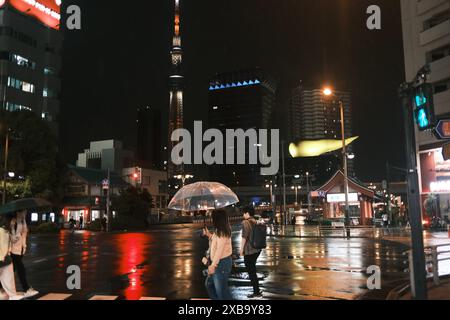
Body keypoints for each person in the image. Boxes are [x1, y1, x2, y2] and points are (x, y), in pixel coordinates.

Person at [202, 209, 233, 300]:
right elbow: (215, 242)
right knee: (209, 285)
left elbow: (219, 250)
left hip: (221, 264)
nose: (212, 220)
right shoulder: (219, 230)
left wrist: (213, 266)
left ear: (217, 219)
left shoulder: (222, 232)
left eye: (213, 218)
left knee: (222, 293)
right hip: (218, 263)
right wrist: (209, 235)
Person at [10, 211, 39, 298]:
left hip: (21, 250)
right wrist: (15, 236)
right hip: (14, 250)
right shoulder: (14, 222)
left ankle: (2, 287)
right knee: (21, 269)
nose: (25, 214)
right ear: (18, 213)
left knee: (12, 270)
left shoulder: (22, 221)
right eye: (24, 212)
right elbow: (12, 237)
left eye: (26, 212)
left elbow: (25, 232)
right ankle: (26, 289)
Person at [240, 206, 263, 299]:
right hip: (257, 249)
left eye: (244, 213)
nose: (243, 215)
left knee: (251, 271)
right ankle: (256, 290)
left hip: (250, 251)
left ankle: (256, 292)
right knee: (252, 270)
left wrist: (241, 250)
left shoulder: (245, 222)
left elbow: (244, 237)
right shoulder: (255, 221)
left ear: (247, 213)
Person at [0, 215, 23, 300]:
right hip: (2, 258)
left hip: (5, 258)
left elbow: (10, 242)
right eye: (13, 220)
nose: (14, 222)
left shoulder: (6, 231)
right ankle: (12, 295)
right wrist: (2, 256)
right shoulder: (1, 231)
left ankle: (12, 295)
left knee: (8, 276)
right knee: (7, 275)